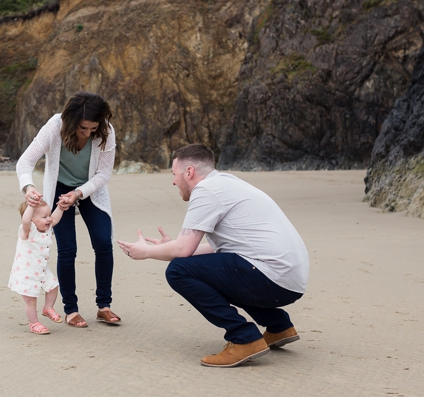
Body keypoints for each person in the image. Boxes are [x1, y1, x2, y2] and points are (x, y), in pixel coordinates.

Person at [117, 144, 311, 368]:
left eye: (174, 174)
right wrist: (173, 247)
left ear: (189, 172)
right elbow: (212, 253)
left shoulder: (206, 190)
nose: (172, 181)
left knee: (178, 270)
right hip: (290, 279)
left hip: (272, 277)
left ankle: (244, 338)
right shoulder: (226, 183)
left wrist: (147, 252)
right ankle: (278, 327)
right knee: (199, 268)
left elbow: (183, 252)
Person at [15, 92, 123, 329]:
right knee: (67, 250)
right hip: (58, 190)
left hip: (90, 190)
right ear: (72, 120)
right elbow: (25, 162)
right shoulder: (54, 127)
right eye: (83, 128)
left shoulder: (106, 131)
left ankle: (104, 306)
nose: (88, 133)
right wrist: (29, 187)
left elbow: (103, 174)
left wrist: (79, 193)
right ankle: (71, 310)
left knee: (104, 243)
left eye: (93, 128)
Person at [8, 199, 68, 335]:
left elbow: (55, 219)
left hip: (41, 269)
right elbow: (25, 221)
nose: (48, 219)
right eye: (44, 217)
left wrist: (60, 207)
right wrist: (31, 206)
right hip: (26, 272)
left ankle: (48, 308)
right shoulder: (28, 230)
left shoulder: (47, 228)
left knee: (53, 286)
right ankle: (34, 323)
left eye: (48, 215)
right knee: (31, 300)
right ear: (32, 219)